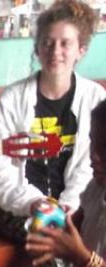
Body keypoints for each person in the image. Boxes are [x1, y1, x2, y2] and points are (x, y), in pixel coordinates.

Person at [0, 0, 106, 243]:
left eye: (65, 43)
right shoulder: (10, 99)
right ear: (37, 48)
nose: (55, 51)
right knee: (48, 238)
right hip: (16, 206)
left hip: (76, 204)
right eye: (47, 42)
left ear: (81, 50)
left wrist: (68, 205)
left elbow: (89, 166)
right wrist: (34, 203)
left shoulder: (96, 98)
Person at [25, 99, 106, 267]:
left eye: (104, 148)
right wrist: (53, 231)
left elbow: (78, 252)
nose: (94, 155)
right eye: (92, 143)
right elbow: (75, 225)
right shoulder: (95, 188)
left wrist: (79, 255)